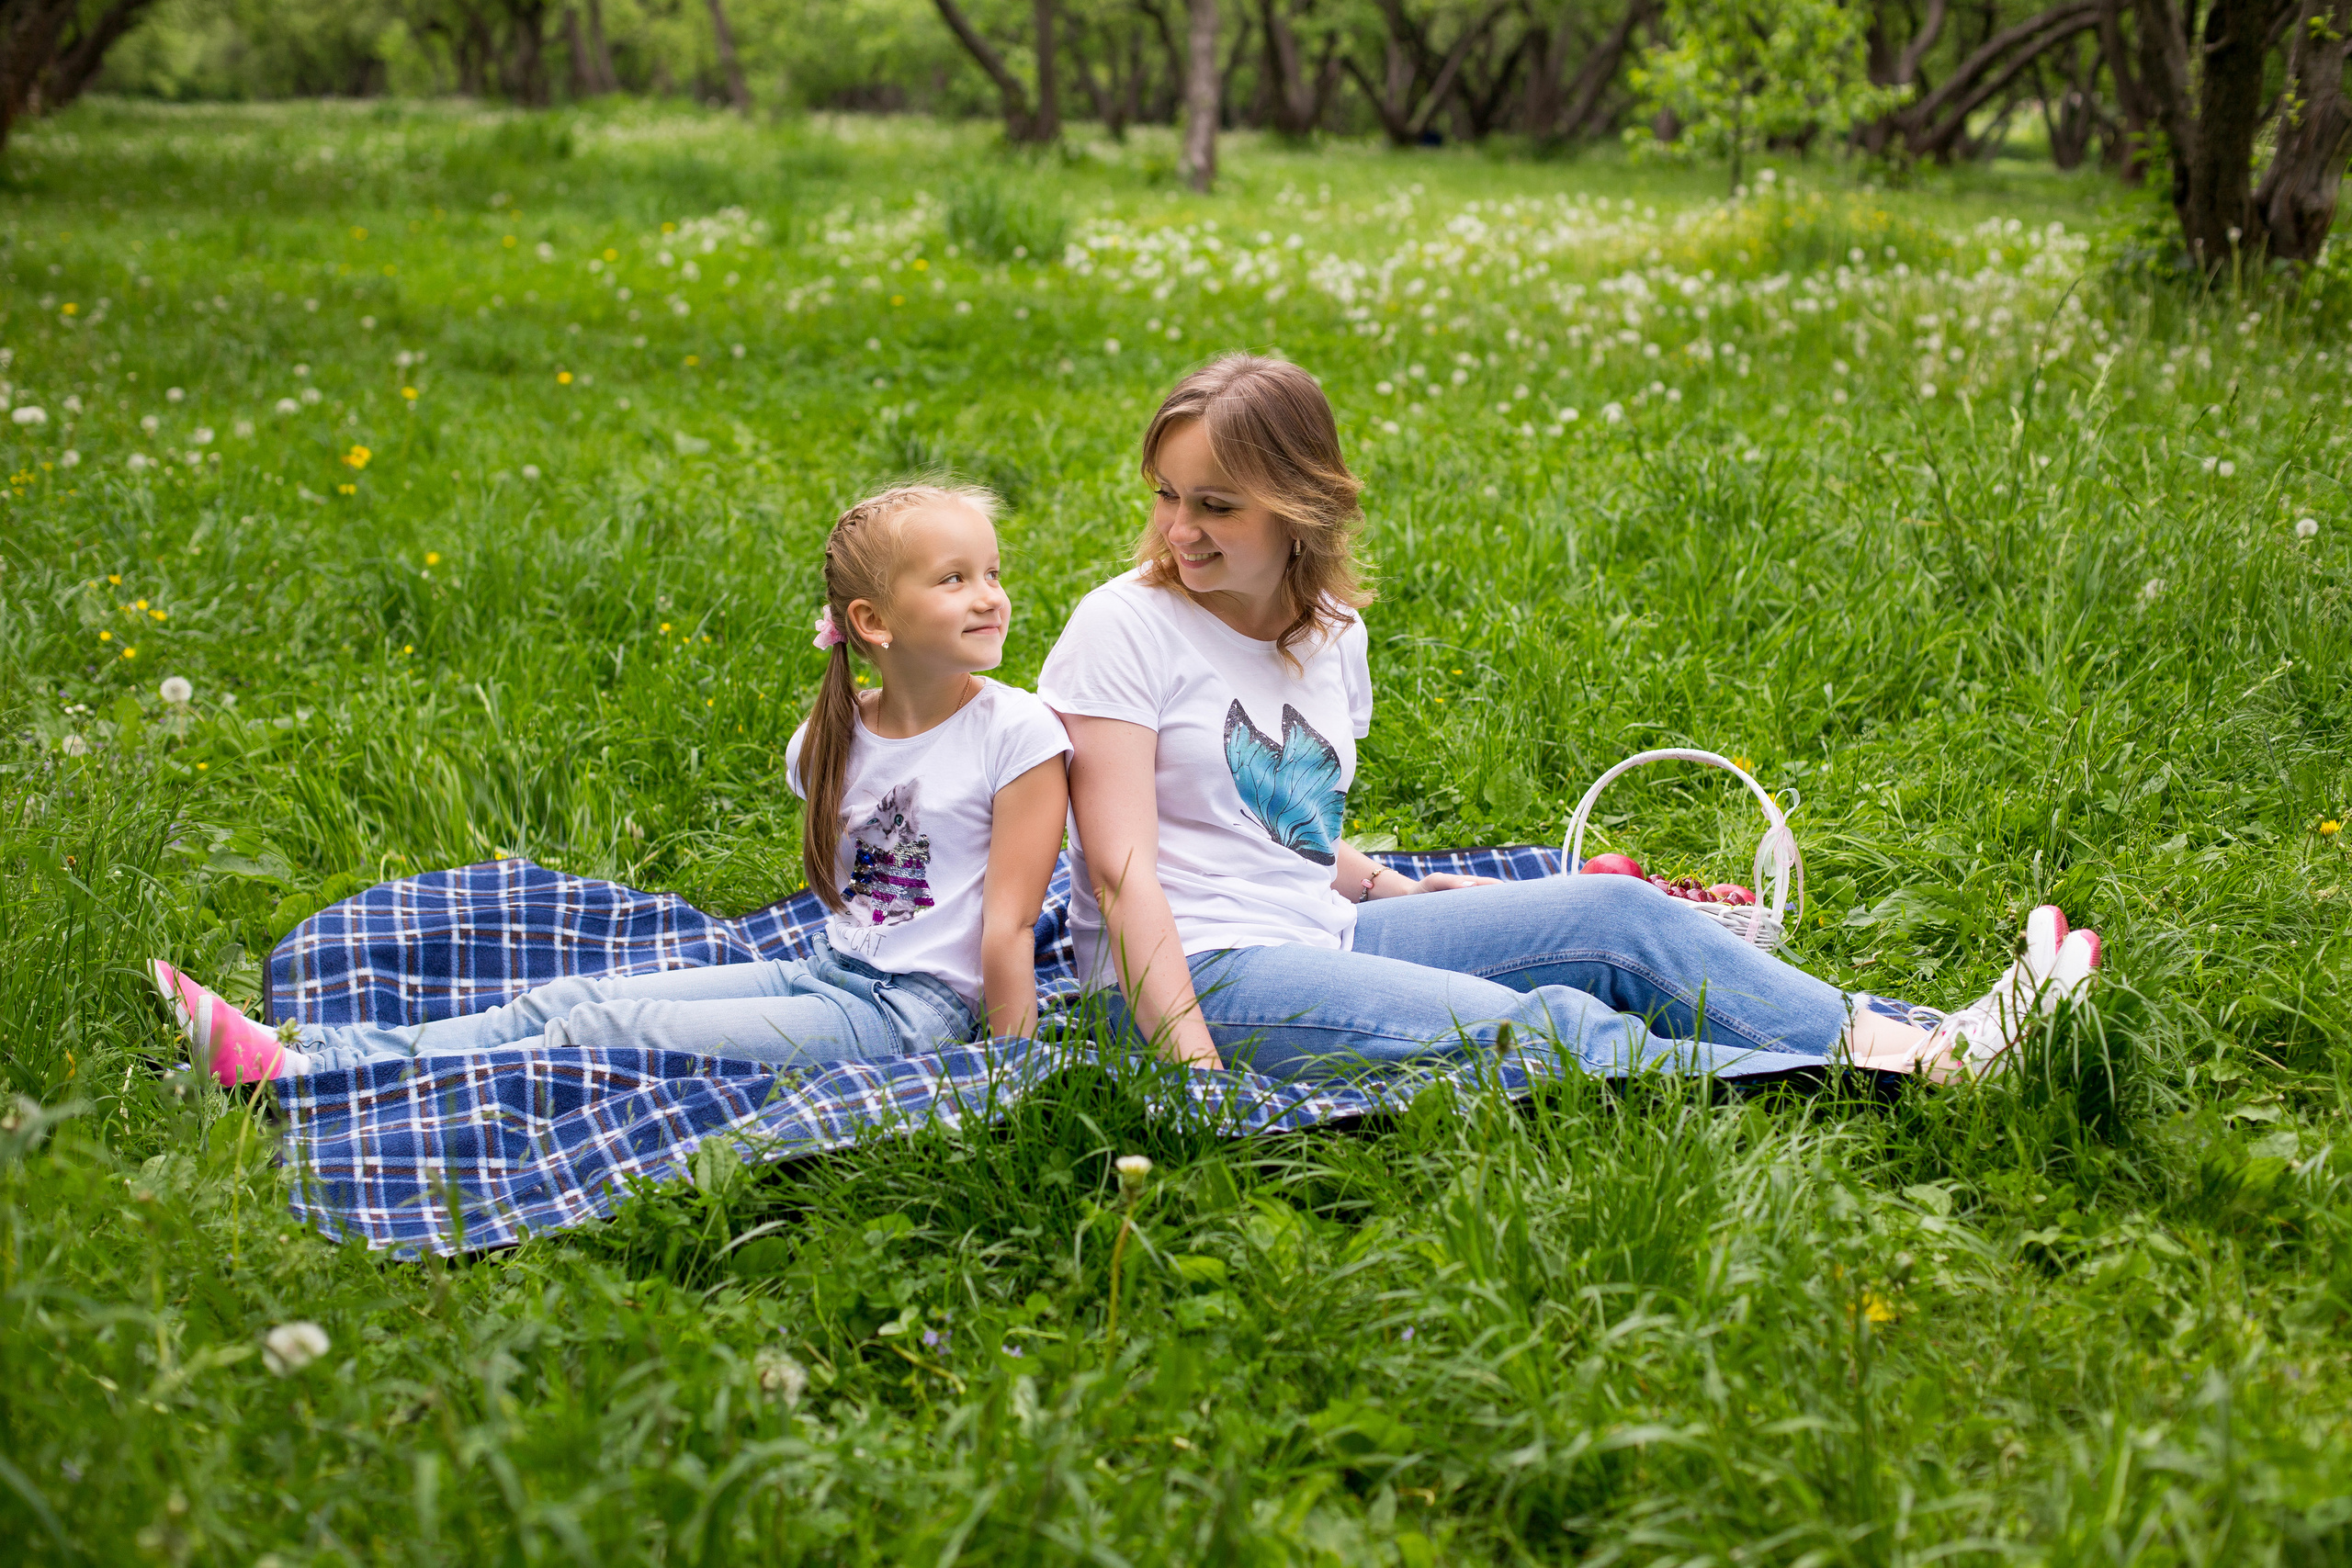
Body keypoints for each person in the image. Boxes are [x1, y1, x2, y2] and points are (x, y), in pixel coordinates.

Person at [1036, 355, 2099, 1082]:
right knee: (1539, 1031)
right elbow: (1124, 868)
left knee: (1612, 920)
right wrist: (1190, 1068)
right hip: (1193, 978)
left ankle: (1898, 1039)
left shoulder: (1328, 635)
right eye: (1167, 495)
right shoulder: (1122, 628)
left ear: (1303, 504)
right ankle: (1899, 1077)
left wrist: (1393, 888)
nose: (1181, 529)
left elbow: (1271, 830)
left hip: (1327, 927)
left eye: (1216, 504)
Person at [154, 483, 1071, 1086]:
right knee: (563, 1002)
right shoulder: (830, 739)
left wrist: (1008, 1069)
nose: (989, 595)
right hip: (830, 972)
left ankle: (315, 1079)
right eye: (954, 579)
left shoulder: (1017, 734)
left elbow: (1009, 924)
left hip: (919, 1013)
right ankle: (309, 1053)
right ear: (871, 622)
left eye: (991, 573)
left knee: (613, 1024)